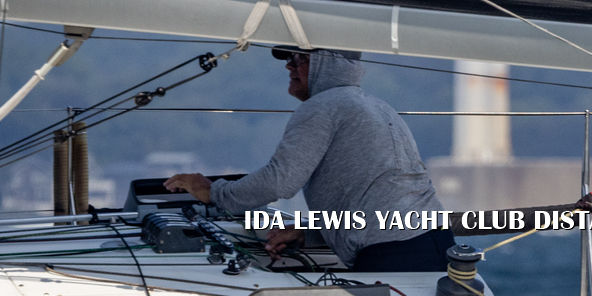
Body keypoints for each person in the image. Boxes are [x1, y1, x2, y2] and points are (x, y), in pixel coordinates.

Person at [163, 47, 452, 272]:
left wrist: (213, 192)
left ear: (328, 63)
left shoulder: (323, 106)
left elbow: (279, 182)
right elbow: (377, 199)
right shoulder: (378, 106)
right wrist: (310, 233)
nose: (288, 66)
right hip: (437, 241)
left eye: (297, 58)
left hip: (393, 251)